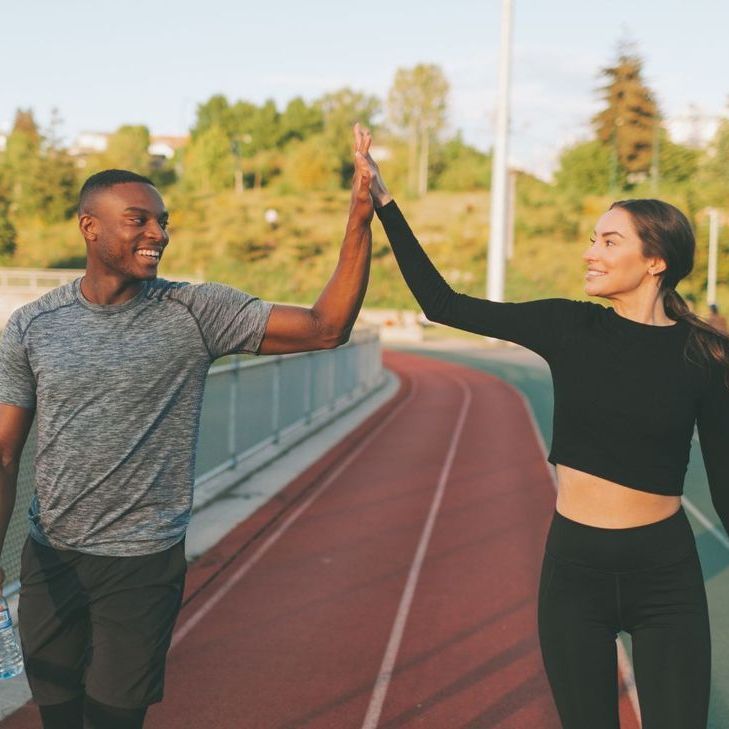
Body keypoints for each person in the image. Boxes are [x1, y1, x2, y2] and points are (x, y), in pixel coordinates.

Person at [0, 124, 374, 729]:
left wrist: (358, 218)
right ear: (89, 227)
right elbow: (4, 455)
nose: (158, 234)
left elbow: (326, 327)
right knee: (59, 714)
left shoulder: (196, 312)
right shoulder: (32, 326)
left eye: (162, 221)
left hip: (142, 563)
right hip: (51, 558)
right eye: (138, 220)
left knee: (113, 718)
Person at [362, 146, 729, 728]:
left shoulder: (704, 355)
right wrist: (385, 203)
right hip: (574, 572)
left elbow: (725, 478)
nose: (590, 252)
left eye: (610, 241)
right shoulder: (568, 325)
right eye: (592, 239)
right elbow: (442, 303)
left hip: (665, 573)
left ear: (655, 260)